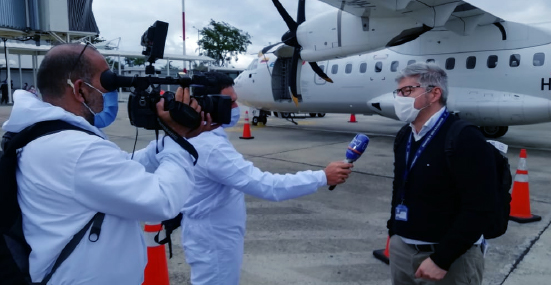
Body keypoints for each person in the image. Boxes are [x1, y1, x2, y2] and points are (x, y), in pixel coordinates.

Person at [1, 43, 214, 284]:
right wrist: (178, 140)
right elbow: (162, 201)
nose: (110, 91)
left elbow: (122, 168)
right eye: (107, 82)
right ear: (80, 89)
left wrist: (171, 138)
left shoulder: (48, 136)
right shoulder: (74, 149)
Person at [179, 72, 354, 285]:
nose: (236, 108)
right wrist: (322, 177)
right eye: (230, 102)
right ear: (208, 104)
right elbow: (267, 186)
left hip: (209, 234)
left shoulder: (194, 135)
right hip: (214, 240)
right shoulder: (211, 147)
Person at [386, 63, 495, 284]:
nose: (400, 98)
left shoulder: (464, 137)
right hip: (403, 250)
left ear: (434, 93)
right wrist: (394, 232)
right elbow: (399, 187)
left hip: (449, 259)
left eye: (407, 91)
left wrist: (442, 259)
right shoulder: (404, 136)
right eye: (398, 92)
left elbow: (481, 208)